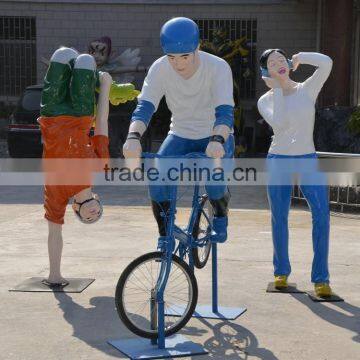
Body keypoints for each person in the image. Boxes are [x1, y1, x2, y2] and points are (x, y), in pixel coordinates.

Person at [123, 17, 235, 243]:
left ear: (198, 48)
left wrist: (217, 140)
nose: (178, 64)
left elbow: (225, 112)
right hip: (180, 133)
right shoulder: (160, 68)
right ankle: (165, 232)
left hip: (215, 136)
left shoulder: (218, 67)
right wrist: (133, 136)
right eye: (171, 57)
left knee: (214, 181)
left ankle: (221, 217)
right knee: (156, 177)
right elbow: (145, 107)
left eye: (185, 56)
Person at [39, 46, 138, 286]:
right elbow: (102, 122)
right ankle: (99, 79)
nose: (95, 215)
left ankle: (54, 273)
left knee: (62, 55)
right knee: (84, 60)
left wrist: (55, 275)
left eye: (89, 219)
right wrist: (104, 90)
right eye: (98, 215)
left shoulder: (57, 196)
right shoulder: (99, 168)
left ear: (75, 210)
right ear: (99, 200)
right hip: (82, 114)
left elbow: (54, 234)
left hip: (51, 114)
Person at [257, 48, 333, 297]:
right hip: (279, 160)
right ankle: (281, 272)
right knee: (279, 217)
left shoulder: (306, 89)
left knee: (321, 215)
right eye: (271, 62)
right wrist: (277, 89)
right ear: (265, 71)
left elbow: (326, 63)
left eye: (281, 59)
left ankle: (320, 278)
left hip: (307, 159)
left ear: (288, 64)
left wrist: (302, 57)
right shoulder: (265, 100)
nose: (278, 64)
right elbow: (278, 123)